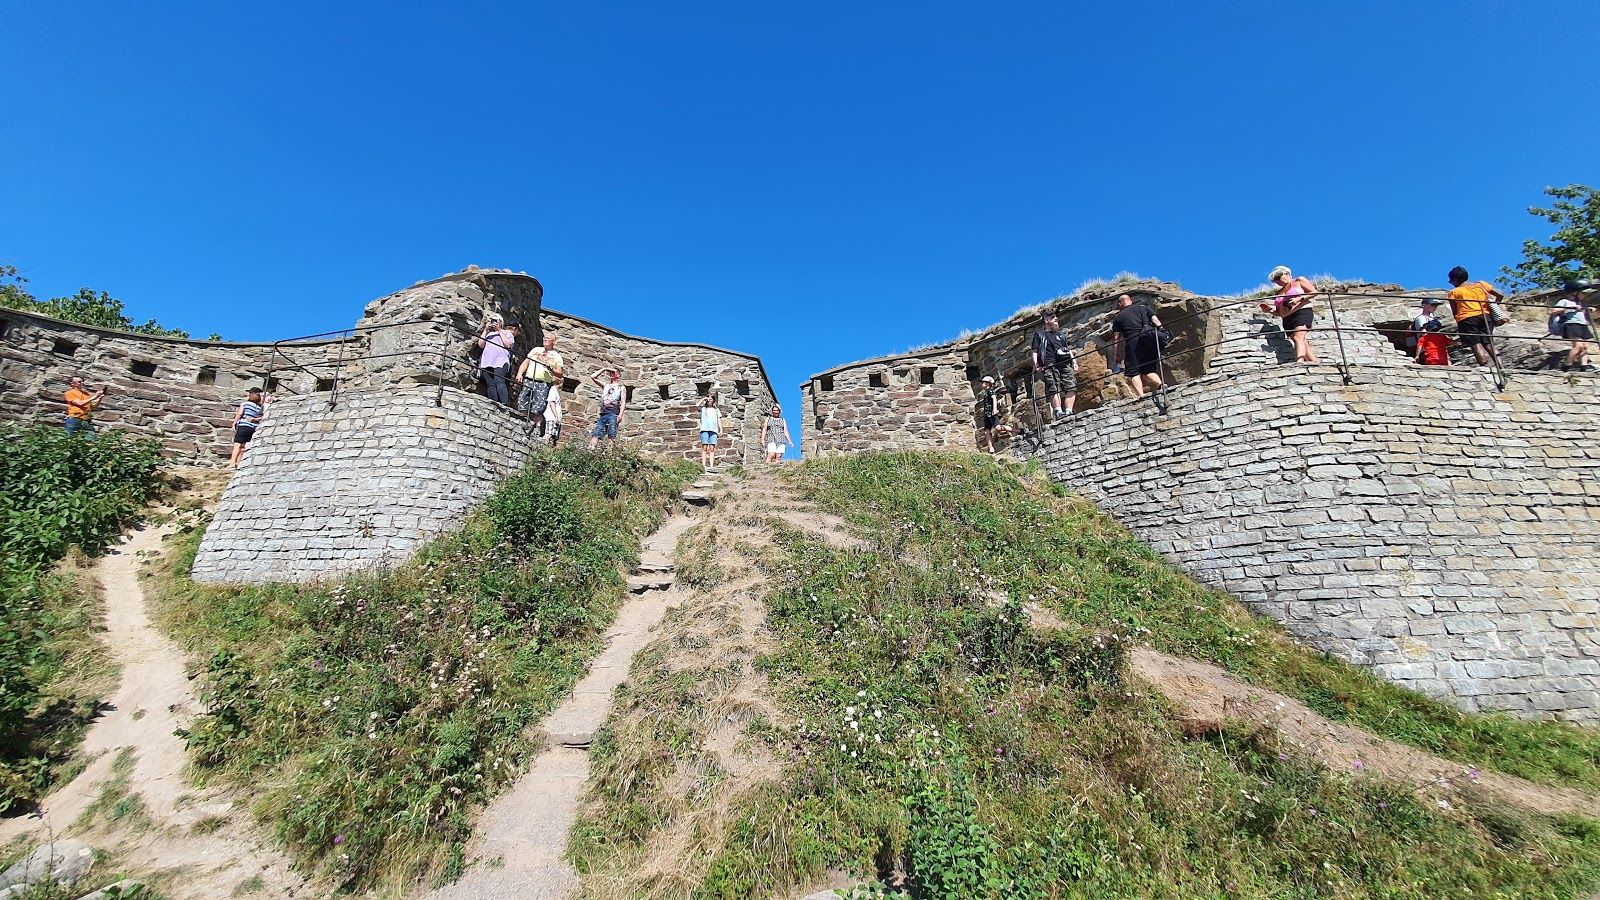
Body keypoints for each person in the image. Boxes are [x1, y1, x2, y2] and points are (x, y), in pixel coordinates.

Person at [1260, 265, 1320, 363]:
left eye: (1278, 278)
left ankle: (1299, 361)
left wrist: (1299, 299)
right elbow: (1279, 312)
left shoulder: (1298, 281)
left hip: (1301, 312)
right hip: (1287, 319)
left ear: (1286, 273)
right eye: (1274, 280)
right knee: (1300, 339)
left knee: (1298, 337)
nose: (1277, 281)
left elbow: (1314, 292)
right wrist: (1270, 310)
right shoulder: (1279, 292)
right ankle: (1314, 362)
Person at [1446, 266, 1503, 367]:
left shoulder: (1454, 292)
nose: (1451, 283)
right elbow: (1500, 296)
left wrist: (1458, 320)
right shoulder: (1481, 285)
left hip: (1467, 318)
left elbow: (1455, 312)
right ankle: (1501, 367)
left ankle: (1484, 367)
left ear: (1455, 279)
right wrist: (1493, 307)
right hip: (1486, 316)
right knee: (1489, 343)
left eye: (1451, 281)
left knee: (1475, 343)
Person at [1110, 294, 1165, 398]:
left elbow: (1116, 338)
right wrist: (1162, 332)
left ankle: (1141, 396)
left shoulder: (1119, 317)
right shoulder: (1144, 308)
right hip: (1149, 340)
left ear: (1120, 304)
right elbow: (1156, 321)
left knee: (1133, 371)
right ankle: (1161, 384)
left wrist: (1115, 355)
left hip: (1133, 344)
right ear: (1130, 301)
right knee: (1148, 370)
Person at [1030, 311, 1077, 420]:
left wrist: (1074, 362)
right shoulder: (1039, 334)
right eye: (1052, 317)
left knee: (1071, 386)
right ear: (1046, 320)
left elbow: (1068, 349)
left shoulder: (1061, 335)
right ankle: (1059, 412)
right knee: (1054, 388)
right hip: (1049, 364)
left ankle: (1069, 411)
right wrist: (1037, 365)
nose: (1056, 319)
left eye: (1056, 317)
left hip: (1064, 363)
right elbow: (1035, 351)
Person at [514, 333, 564, 434]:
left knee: (538, 407)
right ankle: (520, 425)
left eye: (548, 338)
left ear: (554, 342)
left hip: (543, 383)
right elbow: (526, 362)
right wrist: (520, 373)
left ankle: (535, 431)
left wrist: (551, 368)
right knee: (522, 402)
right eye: (544, 338)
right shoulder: (535, 350)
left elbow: (560, 373)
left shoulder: (557, 356)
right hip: (529, 379)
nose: (545, 339)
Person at [1550, 288, 1594, 372]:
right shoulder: (1565, 301)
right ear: (1574, 293)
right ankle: (1567, 366)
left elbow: (1584, 314)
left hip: (1583, 324)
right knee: (1578, 346)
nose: (1586, 295)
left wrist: (1589, 309)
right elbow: (1554, 311)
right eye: (1583, 293)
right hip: (1572, 324)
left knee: (1585, 346)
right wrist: (1570, 308)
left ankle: (1584, 367)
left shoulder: (1581, 303)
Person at [477, 317, 518, 406]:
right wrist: (486, 330)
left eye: (496, 321)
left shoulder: (507, 333)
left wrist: (499, 330)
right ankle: (493, 403)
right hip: (487, 361)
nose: (494, 323)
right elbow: (480, 344)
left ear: (501, 322)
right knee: (490, 384)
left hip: (500, 361)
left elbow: (508, 345)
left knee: (499, 380)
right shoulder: (489, 334)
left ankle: (504, 403)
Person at [587, 367, 626, 450]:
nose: (611, 373)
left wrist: (620, 415)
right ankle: (590, 451)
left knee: (612, 434)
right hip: (604, 413)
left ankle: (609, 453)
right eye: (610, 372)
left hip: (613, 413)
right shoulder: (606, 385)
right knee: (596, 433)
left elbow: (623, 401)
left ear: (618, 375)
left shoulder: (621, 387)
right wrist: (604, 369)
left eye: (614, 372)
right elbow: (592, 376)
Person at [229, 387, 268, 467]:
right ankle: (239, 463)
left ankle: (232, 463)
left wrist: (234, 423)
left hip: (244, 426)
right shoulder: (260, 408)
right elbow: (262, 417)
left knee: (237, 445)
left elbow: (239, 414)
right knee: (244, 447)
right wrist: (255, 419)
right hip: (253, 428)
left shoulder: (245, 404)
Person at [1411, 298, 1453, 366]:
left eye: (1436, 305)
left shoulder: (1432, 318)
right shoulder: (1421, 318)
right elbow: (1423, 333)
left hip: (1436, 349)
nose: (1435, 307)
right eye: (1432, 305)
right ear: (1424, 305)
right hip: (1427, 350)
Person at [977, 375, 1007, 453]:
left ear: (987, 383)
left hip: (991, 413)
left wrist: (995, 409)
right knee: (986, 431)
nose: (982, 384)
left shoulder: (990, 391)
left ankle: (1015, 430)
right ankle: (991, 448)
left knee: (998, 428)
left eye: (983, 382)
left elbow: (994, 398)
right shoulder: (986, 392)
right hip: (987, 414)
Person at [697, 394, 722, 470]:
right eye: (708, 399)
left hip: (713, 430)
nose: (709, 400)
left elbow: (719, 420)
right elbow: (696, 405)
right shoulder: (703, 408)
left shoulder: (716, 410)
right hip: (704, 429)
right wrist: (703, 399)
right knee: (704, 447)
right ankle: (703, 465)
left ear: (713, 400)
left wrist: (721, 429)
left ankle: (711, 465)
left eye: (711, 399)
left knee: (712, 448)